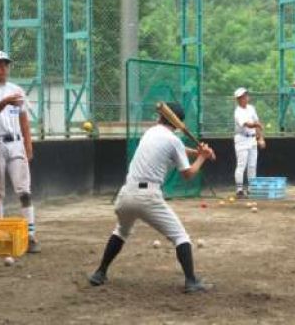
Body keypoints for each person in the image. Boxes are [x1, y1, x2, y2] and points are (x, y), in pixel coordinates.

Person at [88, 102, 216, 293]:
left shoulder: (151, 132)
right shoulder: (173, 140)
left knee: (121, 231)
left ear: (160, 118)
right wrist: (202, 158)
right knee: (181, 237)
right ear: (177, 123)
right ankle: (191, 281)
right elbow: (187, 174)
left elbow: (177, 149)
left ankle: (100, 272)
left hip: (126, 194)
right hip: (148, 197)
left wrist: (197, 152)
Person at [0, 51, 40, 253]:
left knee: (25, 190)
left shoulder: (17, 90)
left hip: (16, 143)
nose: (2, 67)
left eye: (5, 64)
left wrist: (29, 145)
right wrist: (4, 102)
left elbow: (23, 120)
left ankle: (30, 237)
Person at [233, 87, 263, 198]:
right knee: (241, 165)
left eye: (245, 95)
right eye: (242, 97)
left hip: (252, 139)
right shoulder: (238, 112)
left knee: (252, 165)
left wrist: (260, 138)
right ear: (238, 99)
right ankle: (239, 190)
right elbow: (248, 124)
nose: (245, 98)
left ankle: (251, 189)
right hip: (241, 139)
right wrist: (257, 125)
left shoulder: (251, 108)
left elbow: (256, 121)